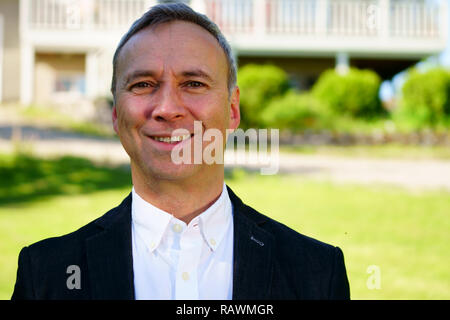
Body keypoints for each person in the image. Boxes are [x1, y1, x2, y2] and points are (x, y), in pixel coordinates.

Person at [11, 3, 349, 300]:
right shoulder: (45, 274)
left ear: (232, 110)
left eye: (194, 84)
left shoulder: (317, 273)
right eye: (143, 84)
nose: (168, 108)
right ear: (116, 114)